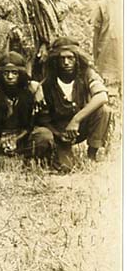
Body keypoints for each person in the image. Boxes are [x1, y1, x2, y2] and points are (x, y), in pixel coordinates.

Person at [32, 36, 111, 172]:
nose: (66, 62)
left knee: (103, 110)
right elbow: (42, 119)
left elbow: (102, 96)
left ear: (77, 59)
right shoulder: (48, 83)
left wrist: (76, 120)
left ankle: (92, 154)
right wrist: (59, 135)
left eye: (70, 58)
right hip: (60, 132)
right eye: (61, 59)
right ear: (55, 61)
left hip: (81, 125)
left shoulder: (86, 74)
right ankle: (56, 154)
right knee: (65, 168)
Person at [91, 0, 123, 88]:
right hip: (108, 50)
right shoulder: (102, 4)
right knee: (110, 84)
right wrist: (95, 55)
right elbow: (96, 31)